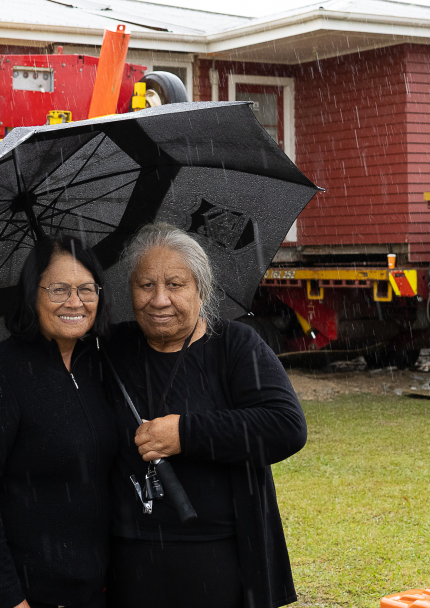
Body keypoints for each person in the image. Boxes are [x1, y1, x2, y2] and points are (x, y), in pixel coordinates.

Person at [104, 222, 307, 608]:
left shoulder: (234, 346)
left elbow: (285, 426)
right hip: (128, 557)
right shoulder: (112, 349)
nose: (159, 299)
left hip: (219, 555)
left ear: (201, 289)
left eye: (175, 284)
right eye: (146, 285)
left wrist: (185, 433)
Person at [0, 235, 117, 608]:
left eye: (86, 289)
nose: (75, 302)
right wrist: (11, 598)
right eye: (59, 289)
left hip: (87, 593)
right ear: (31, 294)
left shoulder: (100, 367)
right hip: (11, 595)